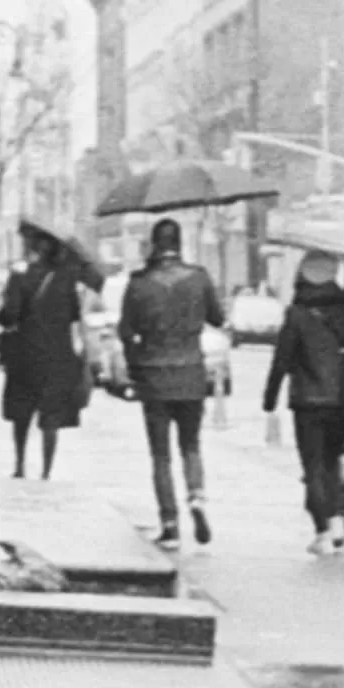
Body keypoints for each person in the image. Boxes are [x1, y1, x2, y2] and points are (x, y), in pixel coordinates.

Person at [119, 217, 225, 548]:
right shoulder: (198, 278)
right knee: (191, 446)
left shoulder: (139, 283)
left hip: (154, 376)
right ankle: (196, 496)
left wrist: (136, 360)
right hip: (191, 372)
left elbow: (125, 331)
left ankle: (170, 525)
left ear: (154, 244)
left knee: (160, 455)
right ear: (179, 244)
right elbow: (218, 318)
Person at [263, 253, 344, 555]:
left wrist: (270, 396)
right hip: (339, 399)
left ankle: (323, 531)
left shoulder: (297, 313)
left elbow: (282, 359)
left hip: (307, 400)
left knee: (313, 467)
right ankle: (337, 515)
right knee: (332, 462)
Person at [0, 227, 91, 480]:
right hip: (58, 356)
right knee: (50, 416)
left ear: (35, 248)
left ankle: (19, 464)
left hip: (24, 354)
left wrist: (4, 307)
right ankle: (47, 470)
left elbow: (9, 316)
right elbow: (73, 316)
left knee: (21, 413)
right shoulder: (66, 279)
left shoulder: (20, 277)